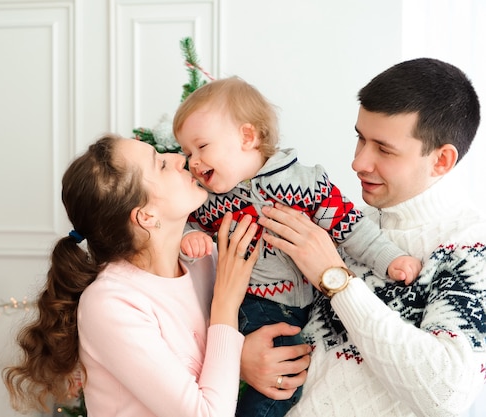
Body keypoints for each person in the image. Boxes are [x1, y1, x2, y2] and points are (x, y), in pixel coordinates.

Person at [243, 57, 486, 416]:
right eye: (360, 138)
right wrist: (244, 355)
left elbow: (446, 395)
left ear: (441, 160)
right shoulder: (351, 225)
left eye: (384, 149)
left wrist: (336, 280)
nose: (358, 162)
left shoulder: (471, 247)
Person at [173, 76, 422, 416]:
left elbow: (350, 226)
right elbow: (178, 219)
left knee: (295, 370)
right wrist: (190, 235)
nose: (193, 162)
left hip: (308, 306)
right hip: (256, 305)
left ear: (247, 137)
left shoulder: (306, 184)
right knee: (282, 381)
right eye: (187, 152)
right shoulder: (211, 202)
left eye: (201, 147)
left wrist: (390, 258)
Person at [2, 133, 269, 417]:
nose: (181, 159)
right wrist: (225, 305)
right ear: (146, 216)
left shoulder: (205, 259)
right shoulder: (109, 304)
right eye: (161, 165)